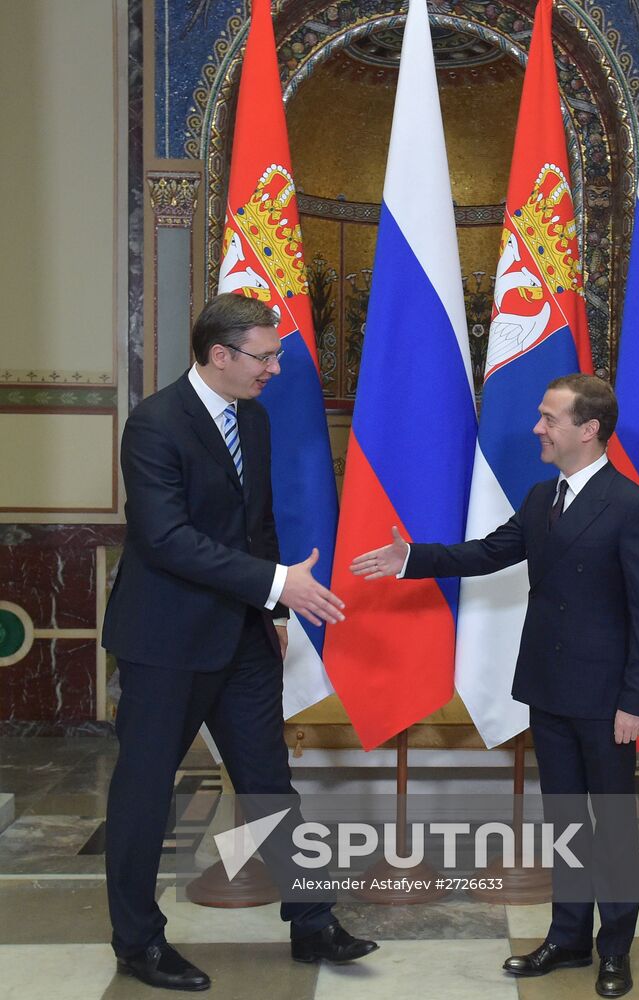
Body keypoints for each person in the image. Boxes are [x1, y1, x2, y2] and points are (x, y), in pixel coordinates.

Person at [351, 373, 639, 998]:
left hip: (608, 703)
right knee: (565, 824)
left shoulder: (633, 507)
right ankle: (569, 937)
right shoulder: (538, 499)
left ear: (589, 430)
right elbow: (488, 553)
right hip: (549, 690)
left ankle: (614, 950)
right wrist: (413, 559)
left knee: (608, 827)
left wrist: (637, 700)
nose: (537, 429)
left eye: (549, 419)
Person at [103, 294, 377, 991]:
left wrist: (275, 612)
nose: (277, 368)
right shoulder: (155, 425)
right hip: (166, 640)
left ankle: (312, 922)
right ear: (220, 355)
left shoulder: (251, 420)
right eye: (265, 355)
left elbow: (257, 527)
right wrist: (276, 583)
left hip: (244, 635)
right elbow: (165, 540)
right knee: (144, 788)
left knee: (268, 780)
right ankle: (137, 941)